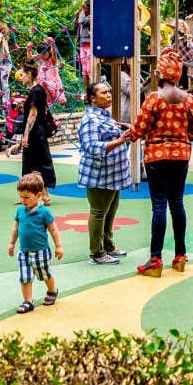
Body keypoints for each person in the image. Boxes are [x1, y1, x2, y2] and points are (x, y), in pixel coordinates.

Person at [115, 48, 193, 277]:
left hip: (156, 157)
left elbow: (140, 129)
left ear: (160, 73)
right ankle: (181, 255)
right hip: (181, 157)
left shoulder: (153, 99)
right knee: (178, 203)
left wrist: (127, 134)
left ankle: (155, 259)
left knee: (159, 206)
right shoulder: (190, 101)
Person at [78, 82, 133, 265]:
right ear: (93, 98)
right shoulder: (89, 120)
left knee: (110, 211)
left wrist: (122, 127)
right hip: (99, 174)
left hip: (112, 174)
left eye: (109, 91)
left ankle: (108, 245)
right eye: (104, 93)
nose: (109, 95)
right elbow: (92, 147)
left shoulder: (103, 115)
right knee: (99, 212)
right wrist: (120, 140)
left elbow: (108, 128)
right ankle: (97, 253)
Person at [8, 173, 63, 314]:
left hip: (40, 251)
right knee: (24, 277)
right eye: (21, 197)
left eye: (26, 197)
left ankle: (52, 291)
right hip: (24, 252)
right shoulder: (20, 211)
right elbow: (15, 228)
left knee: (45, 274)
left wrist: (58, 246)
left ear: (38, 195)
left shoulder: (44, 212)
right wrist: (12, 243)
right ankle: (28, 301)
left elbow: (53, 229)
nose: (23, 200)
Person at [15, 61, 59, 195]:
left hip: (35, 132)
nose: (20, 77)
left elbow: (33, 114)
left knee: (36, 162)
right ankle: (34, 194)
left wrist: (26, 135)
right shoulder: (36, 90)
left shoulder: (36, 91)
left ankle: (41, 195)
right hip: (37, 132)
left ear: (29, 75)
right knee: (34, 162)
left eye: (22, 75)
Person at [73, 0, 92, 80]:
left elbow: (83, 21)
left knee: (89, 69)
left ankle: (92, 88)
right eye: (82, 7)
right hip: (82, 44)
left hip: (90, 44)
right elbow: (75, 28)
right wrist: (77, 17)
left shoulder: (91, 17)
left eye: (84, 7)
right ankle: (86, 90)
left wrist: (82, 13)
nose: (83, 9)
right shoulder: (82, 16)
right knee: (84, 70)